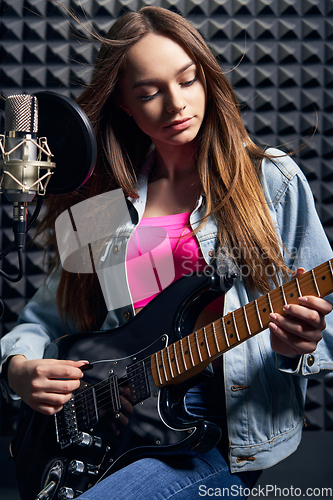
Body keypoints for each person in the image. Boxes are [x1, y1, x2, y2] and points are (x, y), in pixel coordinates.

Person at [1, 6, 333, 500]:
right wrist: (18, 368)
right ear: (124, 107)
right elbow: (43, 321)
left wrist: (296, 348)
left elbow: (324, 322)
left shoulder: (271, 181)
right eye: (149, 92)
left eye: (188, 80)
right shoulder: (104, 206)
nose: (176, 104)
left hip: (217, 434)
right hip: (118, 428)